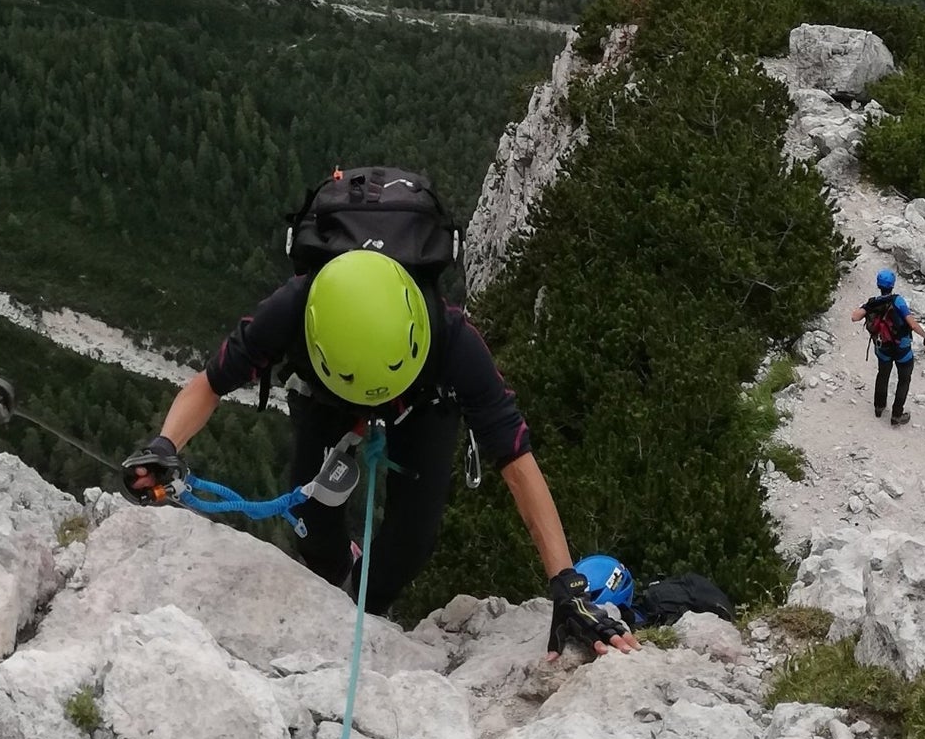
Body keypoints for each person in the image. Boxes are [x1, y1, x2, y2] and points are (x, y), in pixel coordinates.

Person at [123, 248, 638, 660]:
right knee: (312, 523)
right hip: (327, 394)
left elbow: (516, 459)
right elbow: (210, 383)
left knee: (411, 541)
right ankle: (337, 572)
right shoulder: (293, 311)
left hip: (423, 400)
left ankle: (367, 609)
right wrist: (163, 447)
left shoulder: (451, 339)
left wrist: (565, 584)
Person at [852, 268, 925, 425]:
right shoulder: (898, 301)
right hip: (902, 348)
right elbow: (912, 324)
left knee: (883, 375)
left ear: (879, 285)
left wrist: (867, 306)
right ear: (892, 285)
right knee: (904, 380)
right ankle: (896, 416)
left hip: (883, 347)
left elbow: (854, 317)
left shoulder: (873, 303)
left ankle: (879, 408)